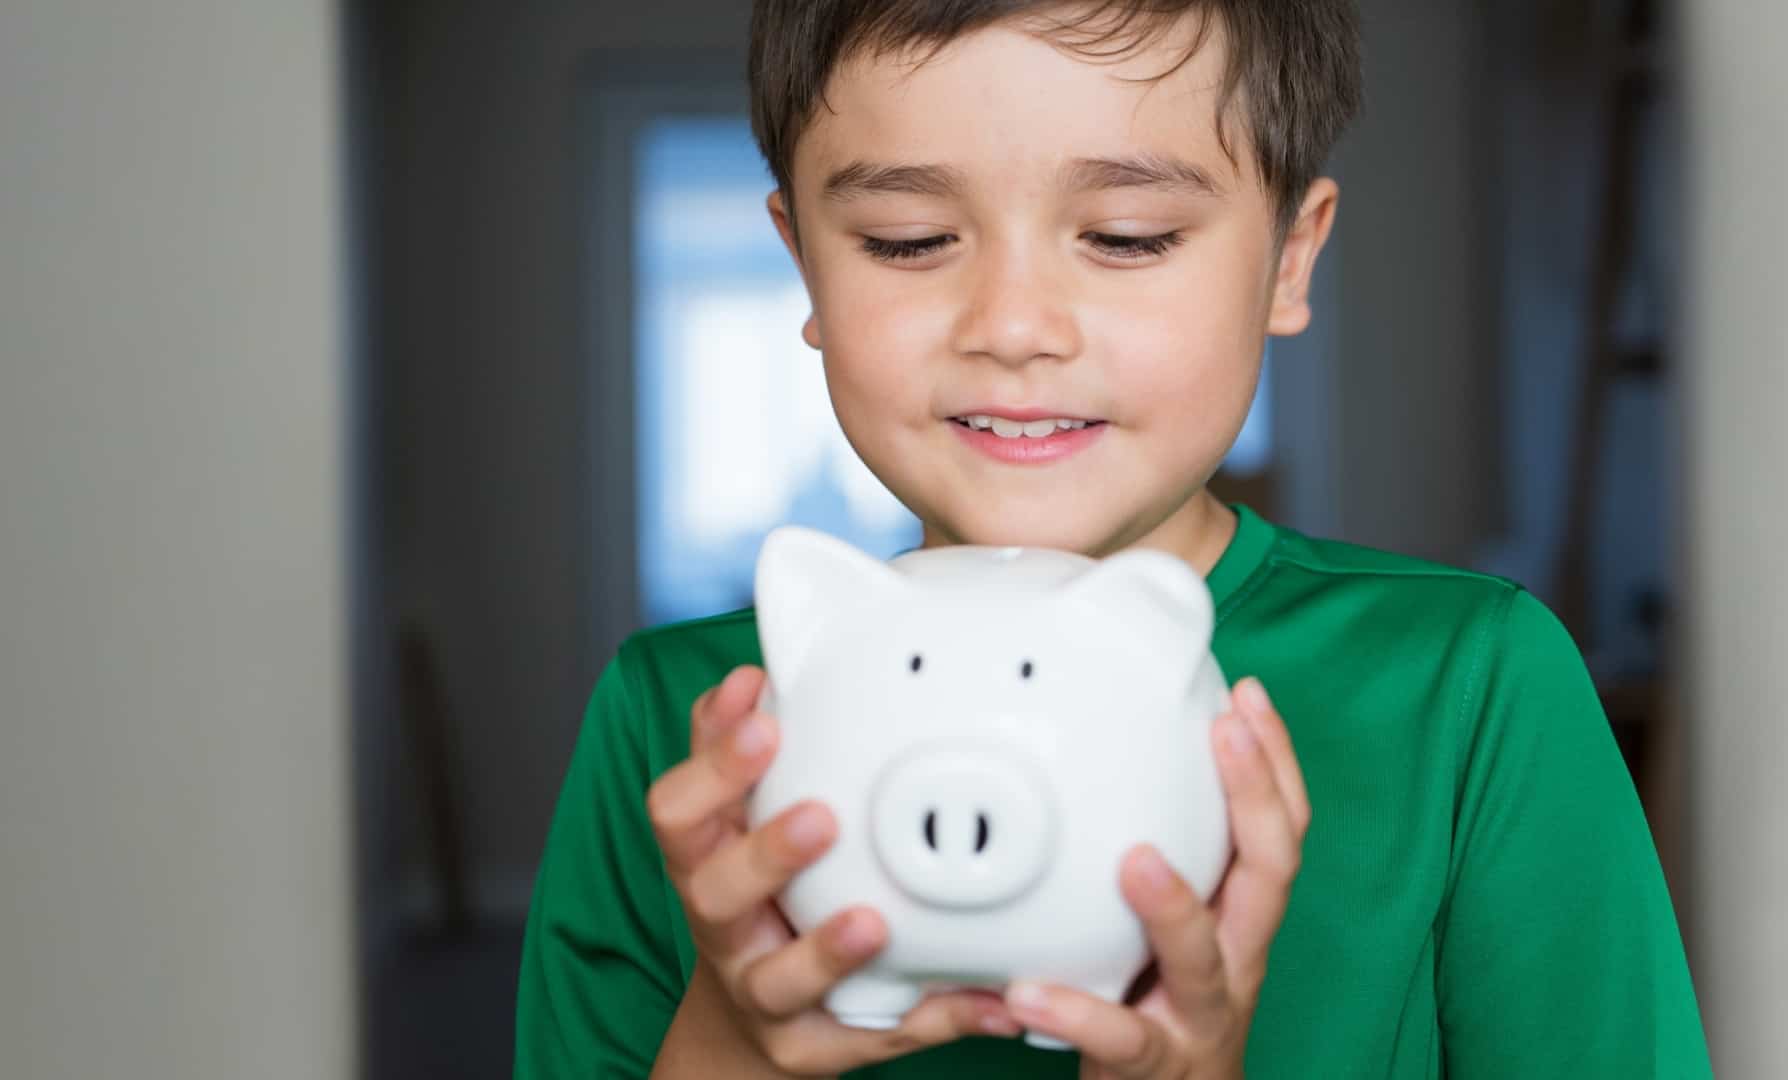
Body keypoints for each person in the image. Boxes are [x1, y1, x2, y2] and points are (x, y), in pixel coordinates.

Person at [515, 1, 1712, 1075]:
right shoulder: (678, 720)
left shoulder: (1468, 687)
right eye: (906, 239)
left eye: (1129, 236)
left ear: (1288, 258)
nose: (1015, 326)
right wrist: (733, 1043)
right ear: (807, 273)